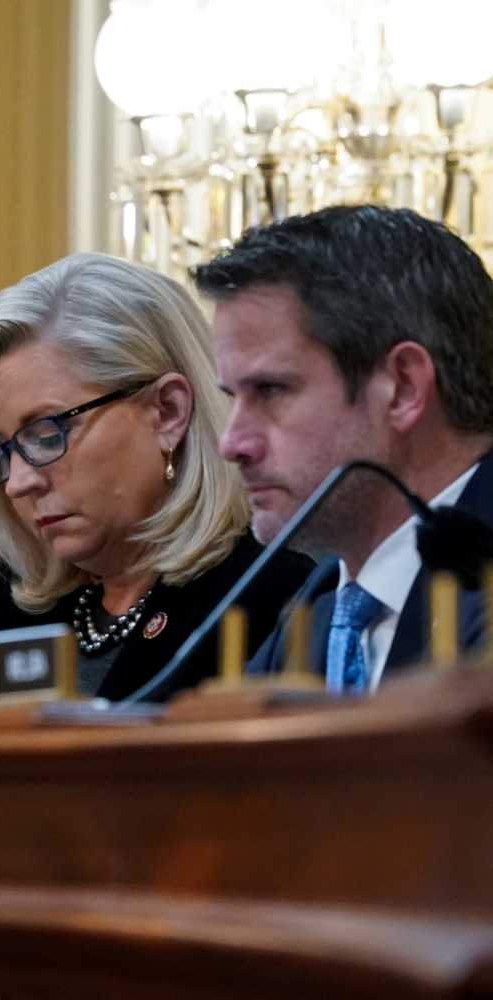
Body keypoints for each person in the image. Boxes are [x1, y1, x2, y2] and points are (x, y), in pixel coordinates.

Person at [0, 253, 313, 717]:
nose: (18, 483)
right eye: (0, 450)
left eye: (46, 434)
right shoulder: (5, 599)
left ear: (168, 412)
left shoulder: (273, 594)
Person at [194, 205, 493, 692]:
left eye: (270, 391)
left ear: (402, 388)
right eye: (232, 397)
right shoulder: (312, 614)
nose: (232, 444)